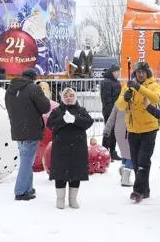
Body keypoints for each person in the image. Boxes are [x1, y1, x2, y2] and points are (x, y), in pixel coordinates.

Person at [118, 62, 160, 202]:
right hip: (133, 130)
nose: (140, 74)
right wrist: (125, 98)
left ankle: (137, 191)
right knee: (135, 162)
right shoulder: (127, 86)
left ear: (147, 73)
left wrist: (139, 88)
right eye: (138, 72)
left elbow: (155, 98)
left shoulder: (154, 85)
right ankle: (145, 190)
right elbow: (120, 106)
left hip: (149, 130)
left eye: (143, 72)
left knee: (143, 161)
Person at [5, 68, 54, 201]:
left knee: (26, 160)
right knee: (27, 162)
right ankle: (20, 191)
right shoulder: (33, 88)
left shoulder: (10, 89)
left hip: (17, 130)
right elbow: (45, 107)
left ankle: (28, 188)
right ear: (33, 78)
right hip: (31, 129)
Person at [46, 87, 94, 210]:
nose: (68, 98)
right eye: (66, 96)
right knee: (60, 173)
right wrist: (63, 120)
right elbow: (50, 124)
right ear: (62, 98)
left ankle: (73, 199)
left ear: (74, 97)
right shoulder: (57, 111)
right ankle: (60, 199)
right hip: (61, 147)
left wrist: (75, 120)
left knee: (75, 173)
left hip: (77, 147)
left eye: (71, 96)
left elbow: (88, 122)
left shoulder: (81, 110)